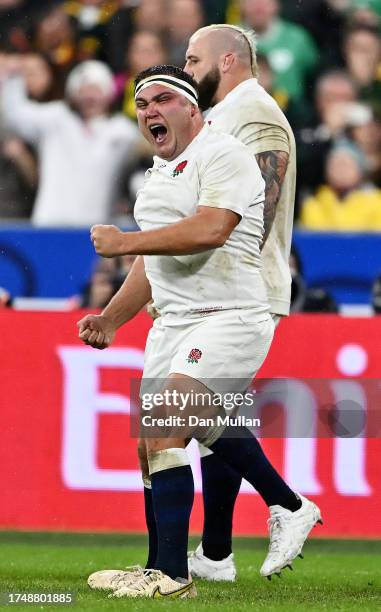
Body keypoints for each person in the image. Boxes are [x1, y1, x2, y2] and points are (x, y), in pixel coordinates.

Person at [79, 65, 321, 599]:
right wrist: (111, 318)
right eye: (142, 104)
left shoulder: (224, 153)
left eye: (163, 98)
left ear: (193, 108)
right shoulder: (159, 173)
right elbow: (154, 258)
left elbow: (213, 229)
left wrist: (122, 243)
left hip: (228, 314)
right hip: (174, 319)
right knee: (150, 443)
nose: (150, 111)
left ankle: (172, 577)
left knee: (169, 422)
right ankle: (162, 564)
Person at [0, 58, 144, 226]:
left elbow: (145, 159)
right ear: (73, 93)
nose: (90, 96)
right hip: (49, 224)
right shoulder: (56, 118)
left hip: (97, 229)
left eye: (96, 89)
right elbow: (14, 117)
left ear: (108, 93)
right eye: (84, 90)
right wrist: (14, 77)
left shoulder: (123, 131)